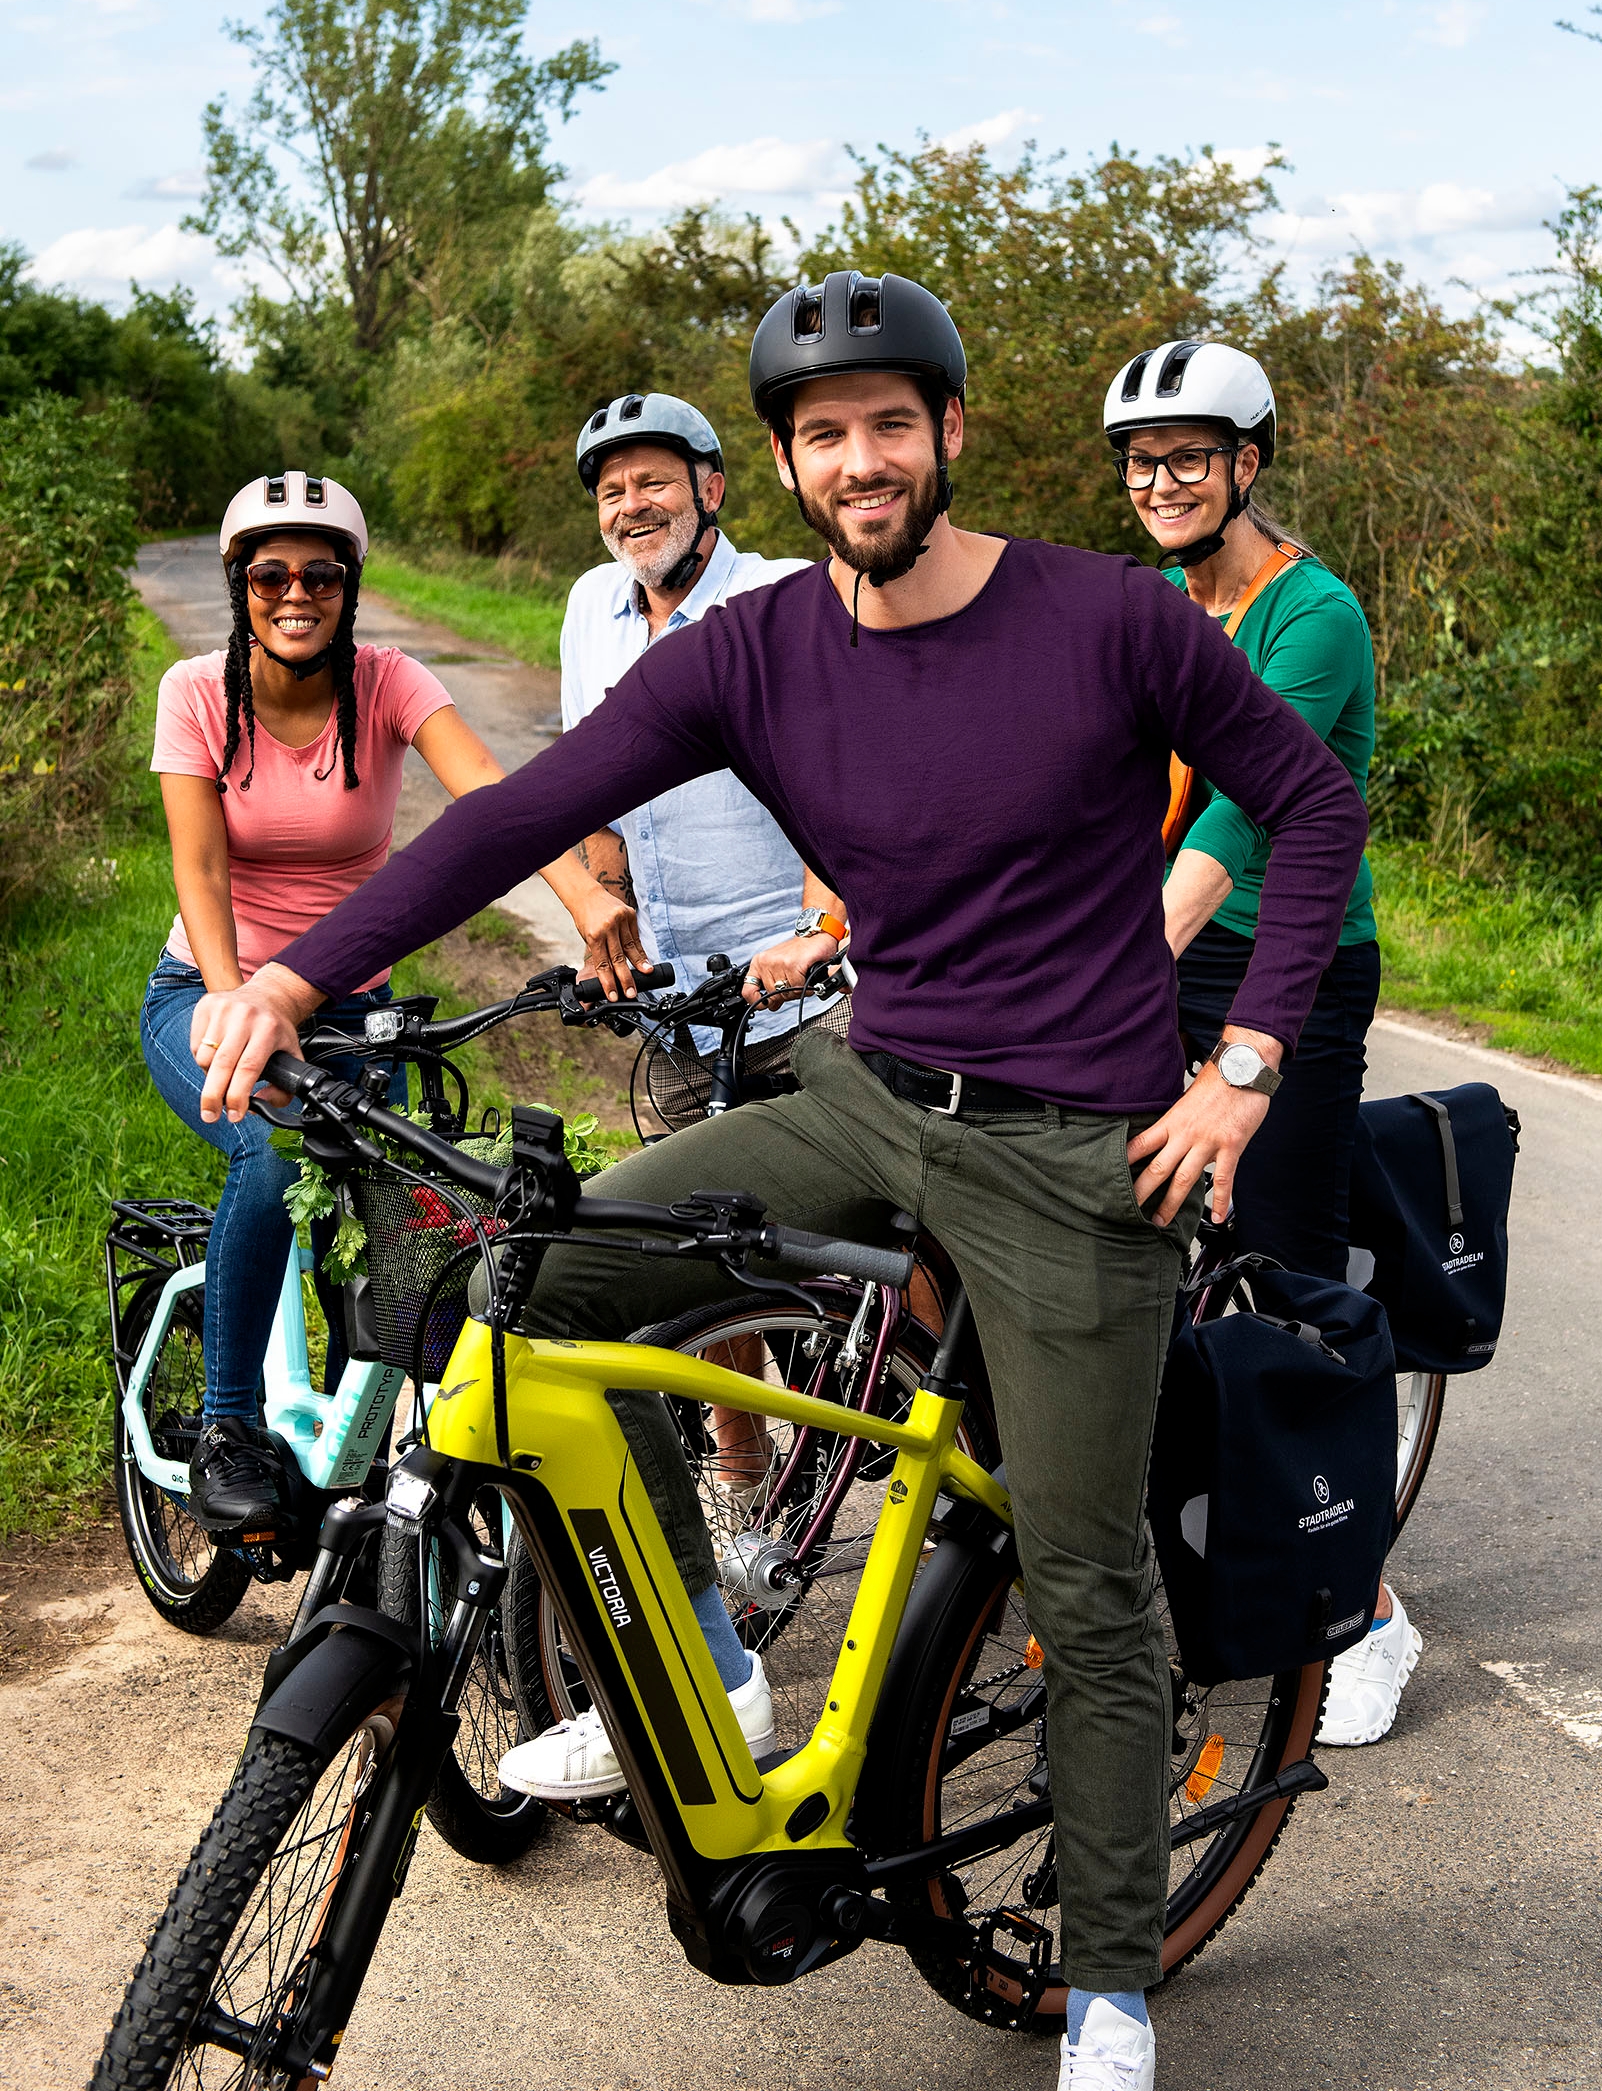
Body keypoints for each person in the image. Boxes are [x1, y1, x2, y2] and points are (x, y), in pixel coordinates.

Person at [186, 279, 1368, 2091]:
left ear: (950, 433)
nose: (862, 458)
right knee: (532, 1284)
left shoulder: (1106, 618)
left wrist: (1246, 1065)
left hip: (1076, 1147)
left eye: (892, 421)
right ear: (788, 466)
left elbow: (1313, 802)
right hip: (864, 1095)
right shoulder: (754, 652)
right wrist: (288, 975)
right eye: (825, 433)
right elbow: (516, 814)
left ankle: (1111, 1987)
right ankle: (713, 1662)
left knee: (1087, 1573)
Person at [141, 469, 607, 1540]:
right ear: (240, 585)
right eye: (270, 574)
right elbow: (198, 869)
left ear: (349, 587)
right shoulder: (195, 691)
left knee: (406, 1207)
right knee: (274, 1158)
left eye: (320, 574)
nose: (294, 593)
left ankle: (396, 1446)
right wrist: (233, 1000)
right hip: (206, 990)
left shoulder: (390, 682)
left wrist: (585, 901)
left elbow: (496, 801)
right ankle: (227, 1423)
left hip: (353, 1009)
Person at [1101, 339, 1418, 1749]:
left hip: (1294, 966)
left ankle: (1370, 1612)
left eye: (1187, 455)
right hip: (1165, 945)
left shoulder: (1314, 611)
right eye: (1140, 460)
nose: (1160, 481)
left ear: (1246, 463)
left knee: (1281, 1279)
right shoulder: (1162, 603)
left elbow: (1239, 805)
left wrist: (1129, 949)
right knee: (1127, 1232)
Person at [560, 392, 847, 1068]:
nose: (631, 506)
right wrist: (610, 939)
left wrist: (819, 931)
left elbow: (845, 782)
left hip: (804, 1002)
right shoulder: (590, 605)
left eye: (653, 483)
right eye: (611, 493)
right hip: (674, 1013)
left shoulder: (781, 598)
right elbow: (591, 798)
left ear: (710, 491)